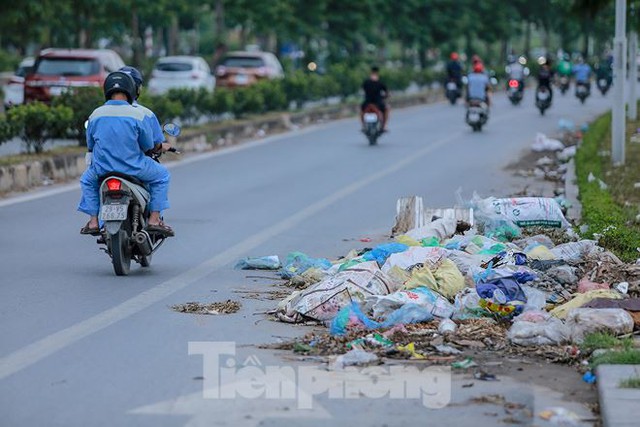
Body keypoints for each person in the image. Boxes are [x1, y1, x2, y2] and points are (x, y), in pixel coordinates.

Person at [78, 71, 174, 236]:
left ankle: (93, 222)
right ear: (132, 90)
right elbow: (147, 146)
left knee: (86, 181)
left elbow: (91, 145)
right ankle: (154, 219)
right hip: (134, 168)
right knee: (162, 176)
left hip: (102, 170)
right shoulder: (138, 114)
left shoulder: (95, 114)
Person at [119, 66, 164, 146]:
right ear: (138, 89)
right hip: (133, 158)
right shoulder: (146, 115)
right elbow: (151, 145)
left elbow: (90, 145)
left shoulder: (97, 114)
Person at [361, 66, 389, 131]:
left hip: (367, 102)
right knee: (386, 109)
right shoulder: (380, 82)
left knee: (362, 111)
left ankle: (363, 126)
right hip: (378, 102)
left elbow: (362, 91)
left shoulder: (366, 82)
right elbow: (386, 92)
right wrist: (385, 96)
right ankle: (384, 126)